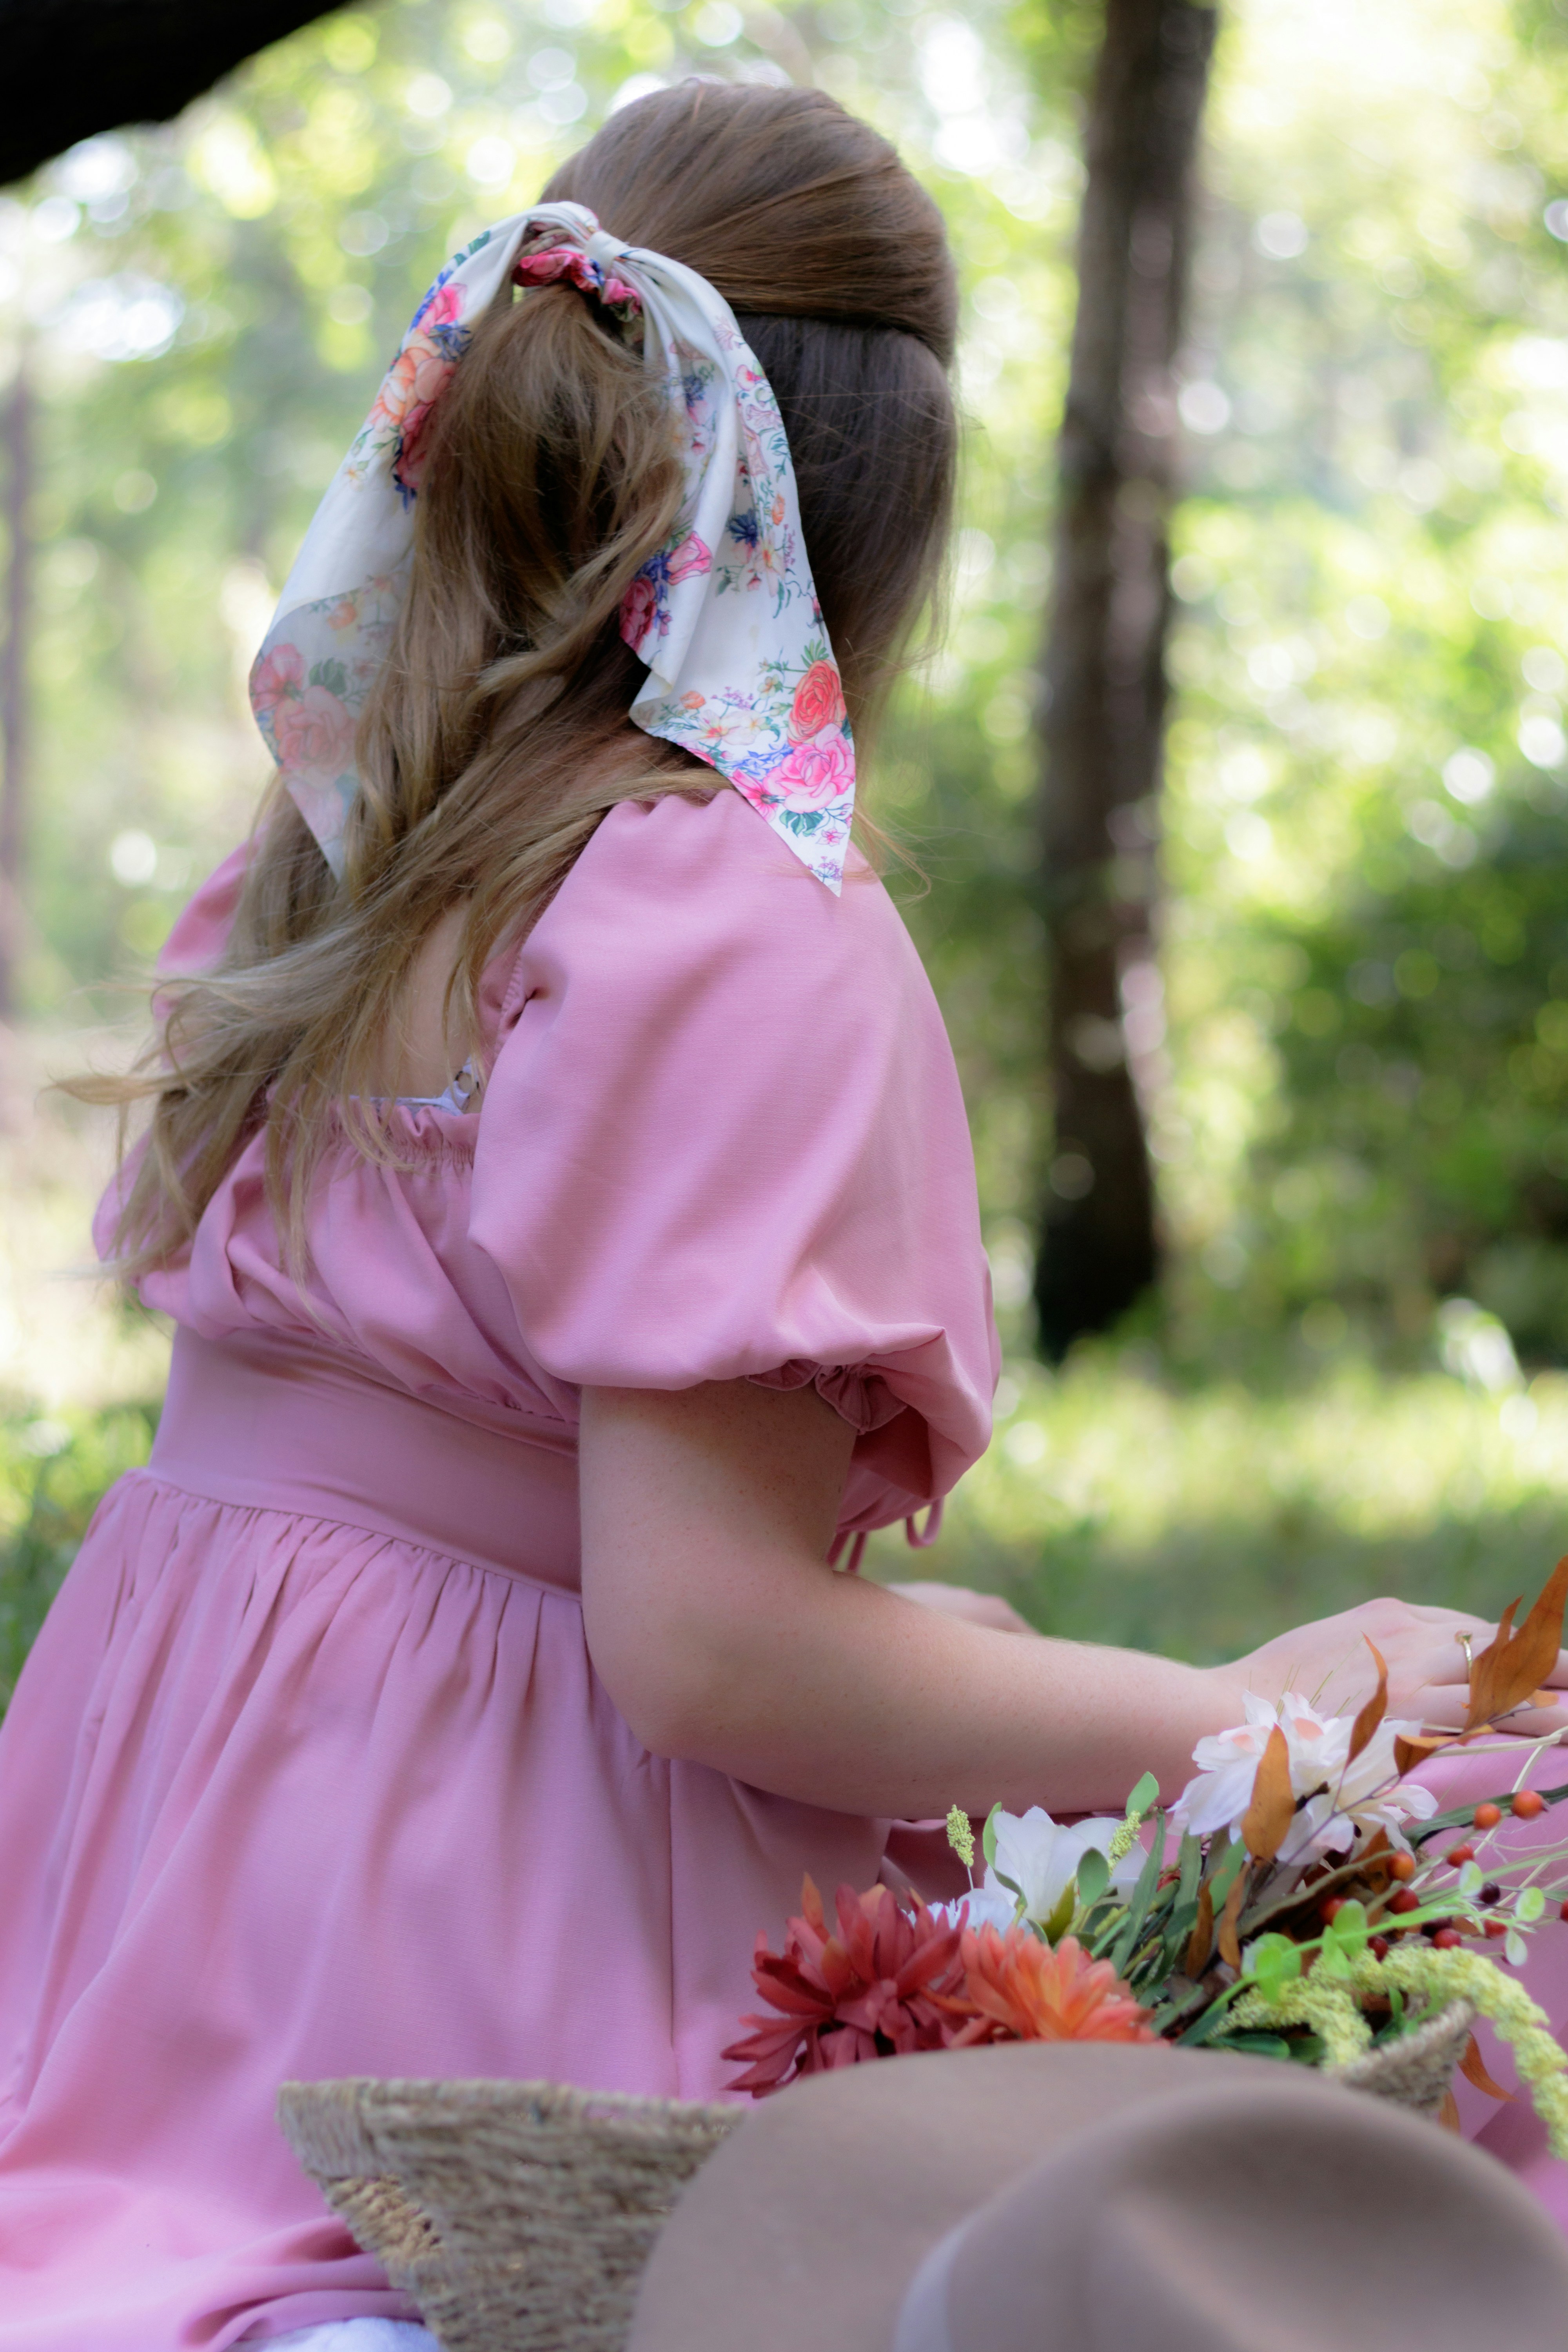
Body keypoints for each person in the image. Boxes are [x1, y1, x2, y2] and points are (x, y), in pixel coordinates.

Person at [0, 79, 1559, 2351]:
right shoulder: (720, 913)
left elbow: (482, 1519)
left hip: (177, 1884)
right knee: (1503, 1822)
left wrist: (987, 1670)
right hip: (472, 1931)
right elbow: (704, 1644)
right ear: (886, 533)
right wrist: (1244, 1717)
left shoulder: (344, 830)